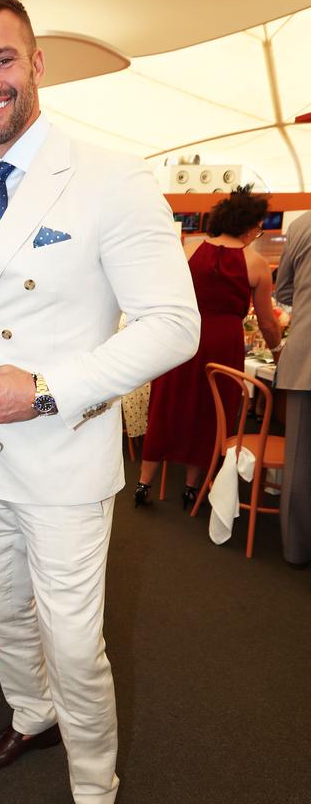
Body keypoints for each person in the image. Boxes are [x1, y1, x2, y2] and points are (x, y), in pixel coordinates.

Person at [0, 0, 200, 804]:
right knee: (2, 609)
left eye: (3, 59)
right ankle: (30, 715)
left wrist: (44, 389)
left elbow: (174, 326)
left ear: (37, 63)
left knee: (73, 638)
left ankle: (95, 787)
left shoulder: (109, 177)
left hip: (63, 452)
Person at [137, 187, 281, 509]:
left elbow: (166, 294)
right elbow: (268, 323)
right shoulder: (255, 264)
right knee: (210, 411)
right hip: (223, 344)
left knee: (168, 403)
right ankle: (191, 488)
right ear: (248, 225)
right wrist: (277, 352)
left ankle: (143, 482)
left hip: (182, 337)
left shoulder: (190, 249)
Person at [274, 209, 311, 566]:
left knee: (299, 458)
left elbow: (282, 289)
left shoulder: (302, 225)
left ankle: (297, 549)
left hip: (305, 356)